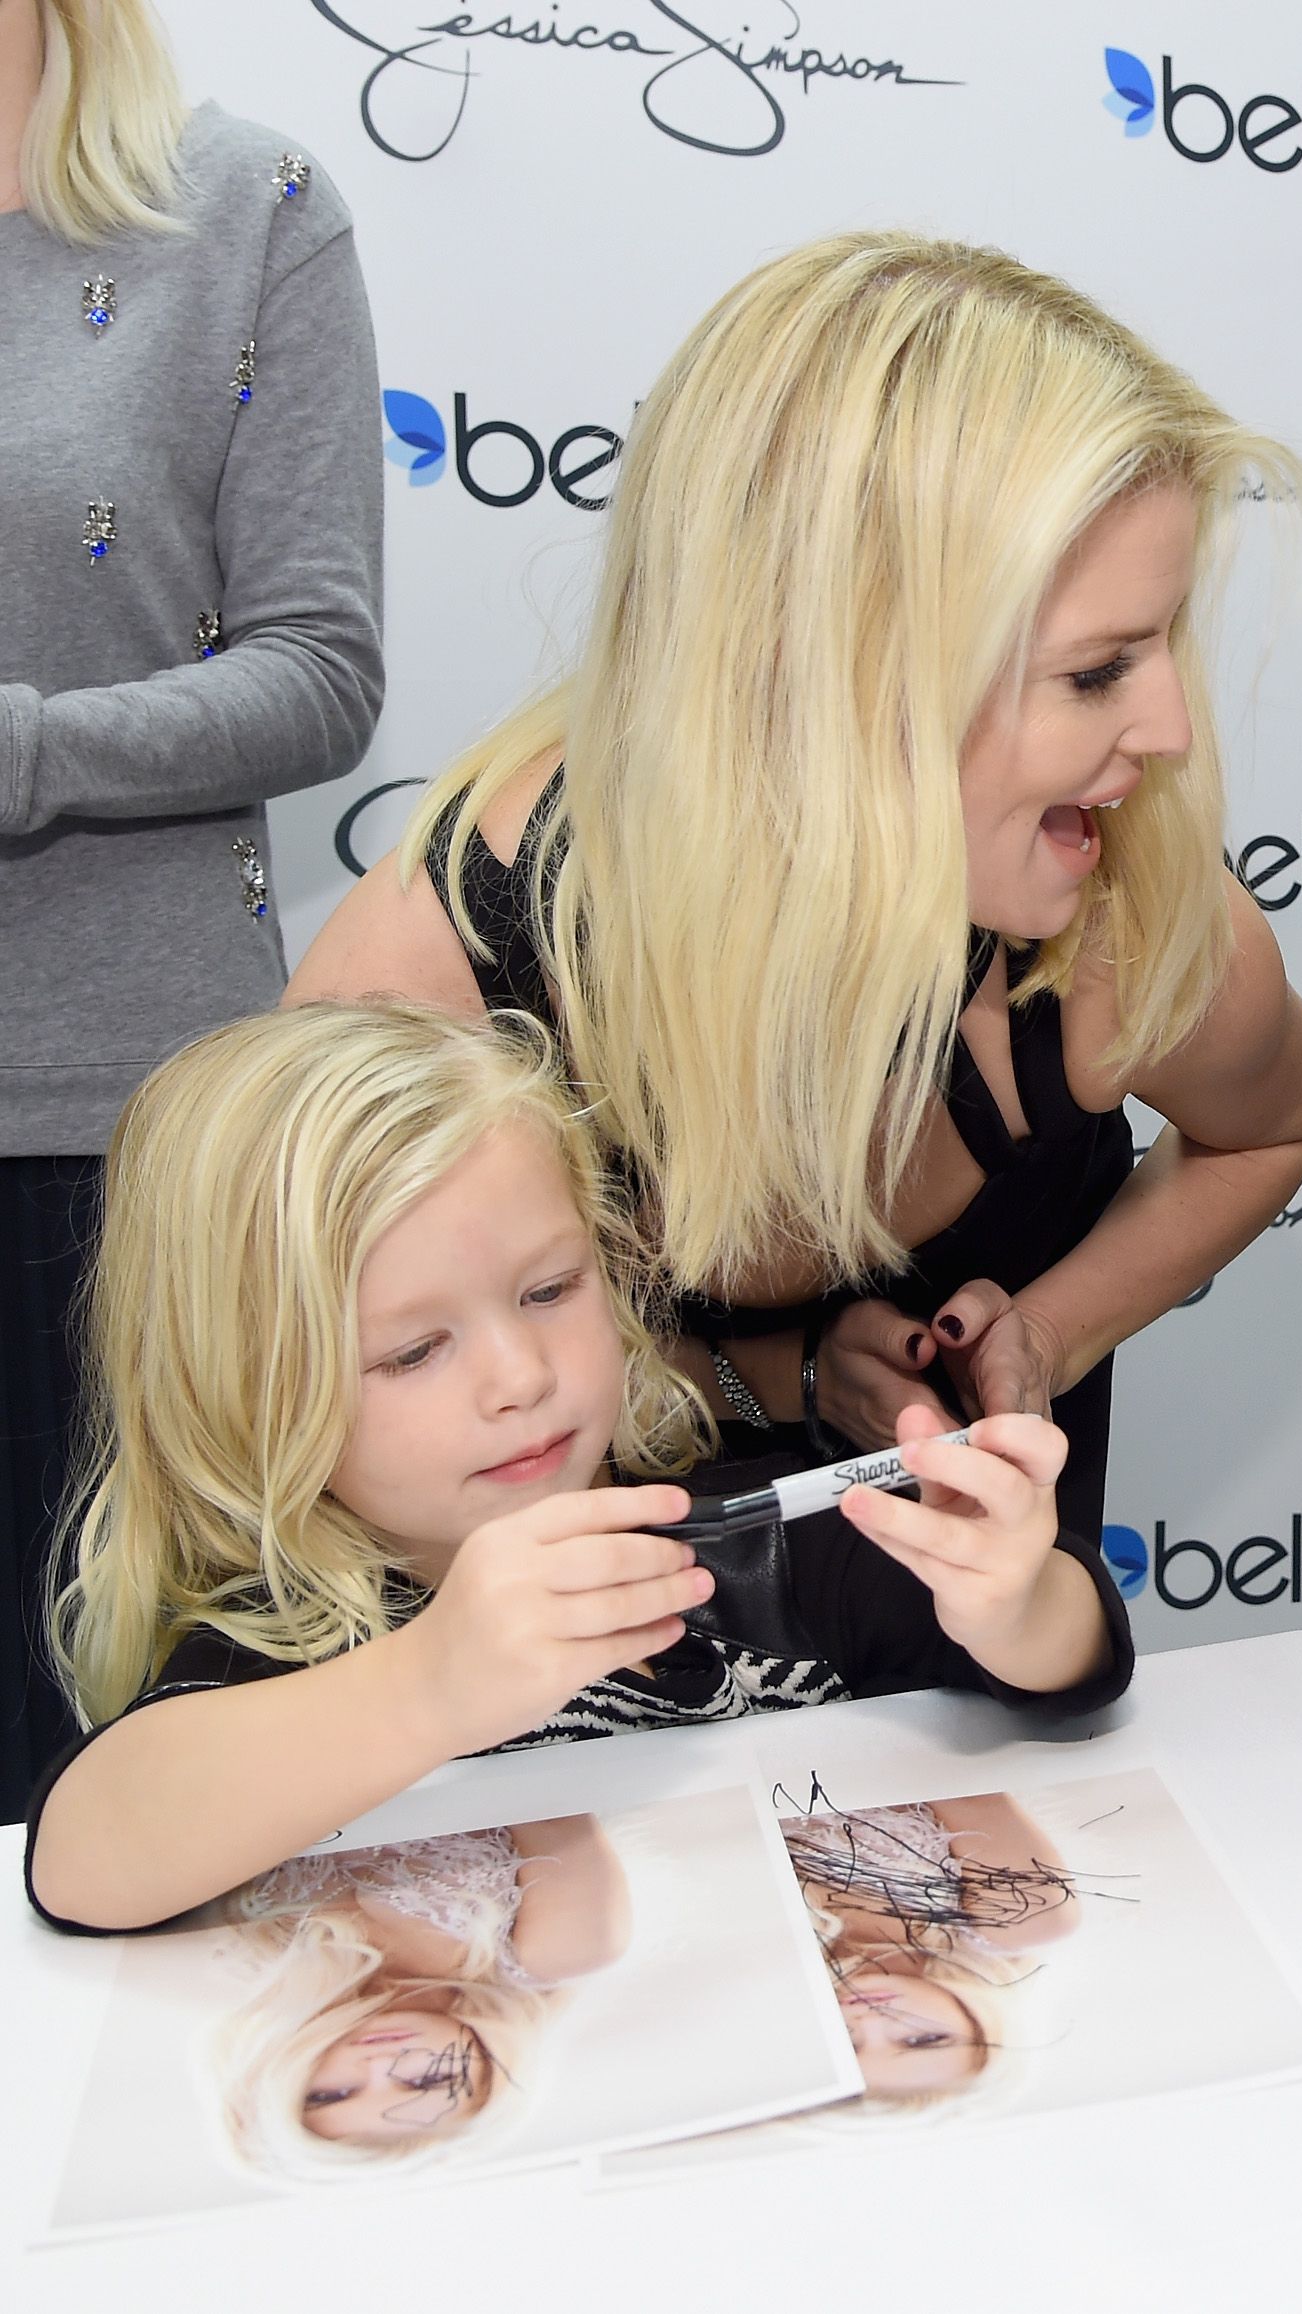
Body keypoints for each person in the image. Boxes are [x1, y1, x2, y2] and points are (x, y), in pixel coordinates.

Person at [288, 230, 1302, 1569]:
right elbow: (277, 1451)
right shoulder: (444, 973)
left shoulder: (1129, 930)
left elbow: (1266, 1133)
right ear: (833, 671)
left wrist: (1050, 1328)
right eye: (1094, 672)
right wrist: (766, 1380)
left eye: (1165, 645)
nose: (1173, 728)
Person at [22, 1002, 1122, 1937]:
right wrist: (431, 1685)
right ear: (246, 1392)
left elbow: (1079, 1661)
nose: (518, 1376)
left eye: (550, 1290)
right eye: (411, 1350)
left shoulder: (757, 1539)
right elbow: (82, 1859)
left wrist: (1017, 1599)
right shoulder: (291, 1641)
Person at [0, 0, 384, 1818]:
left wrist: (25, 751)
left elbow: (318, 669)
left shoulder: (241, 211)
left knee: (126, 1775)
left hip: (118, 1144)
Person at [216, 1816, 625, 2177]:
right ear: (490, 2067)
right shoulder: (569, 1950)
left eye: (331, 2094)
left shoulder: (255, 1965)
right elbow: (551, 1798)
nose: (380, 2065)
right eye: (429, 2078)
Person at [779, 1789, 1083, 2110]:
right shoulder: (1031, 1920)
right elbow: (966, 1789)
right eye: (923, 2040)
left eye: (849, 2045)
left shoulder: (776, 1964)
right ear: (980, 2022)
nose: (872, 2020)